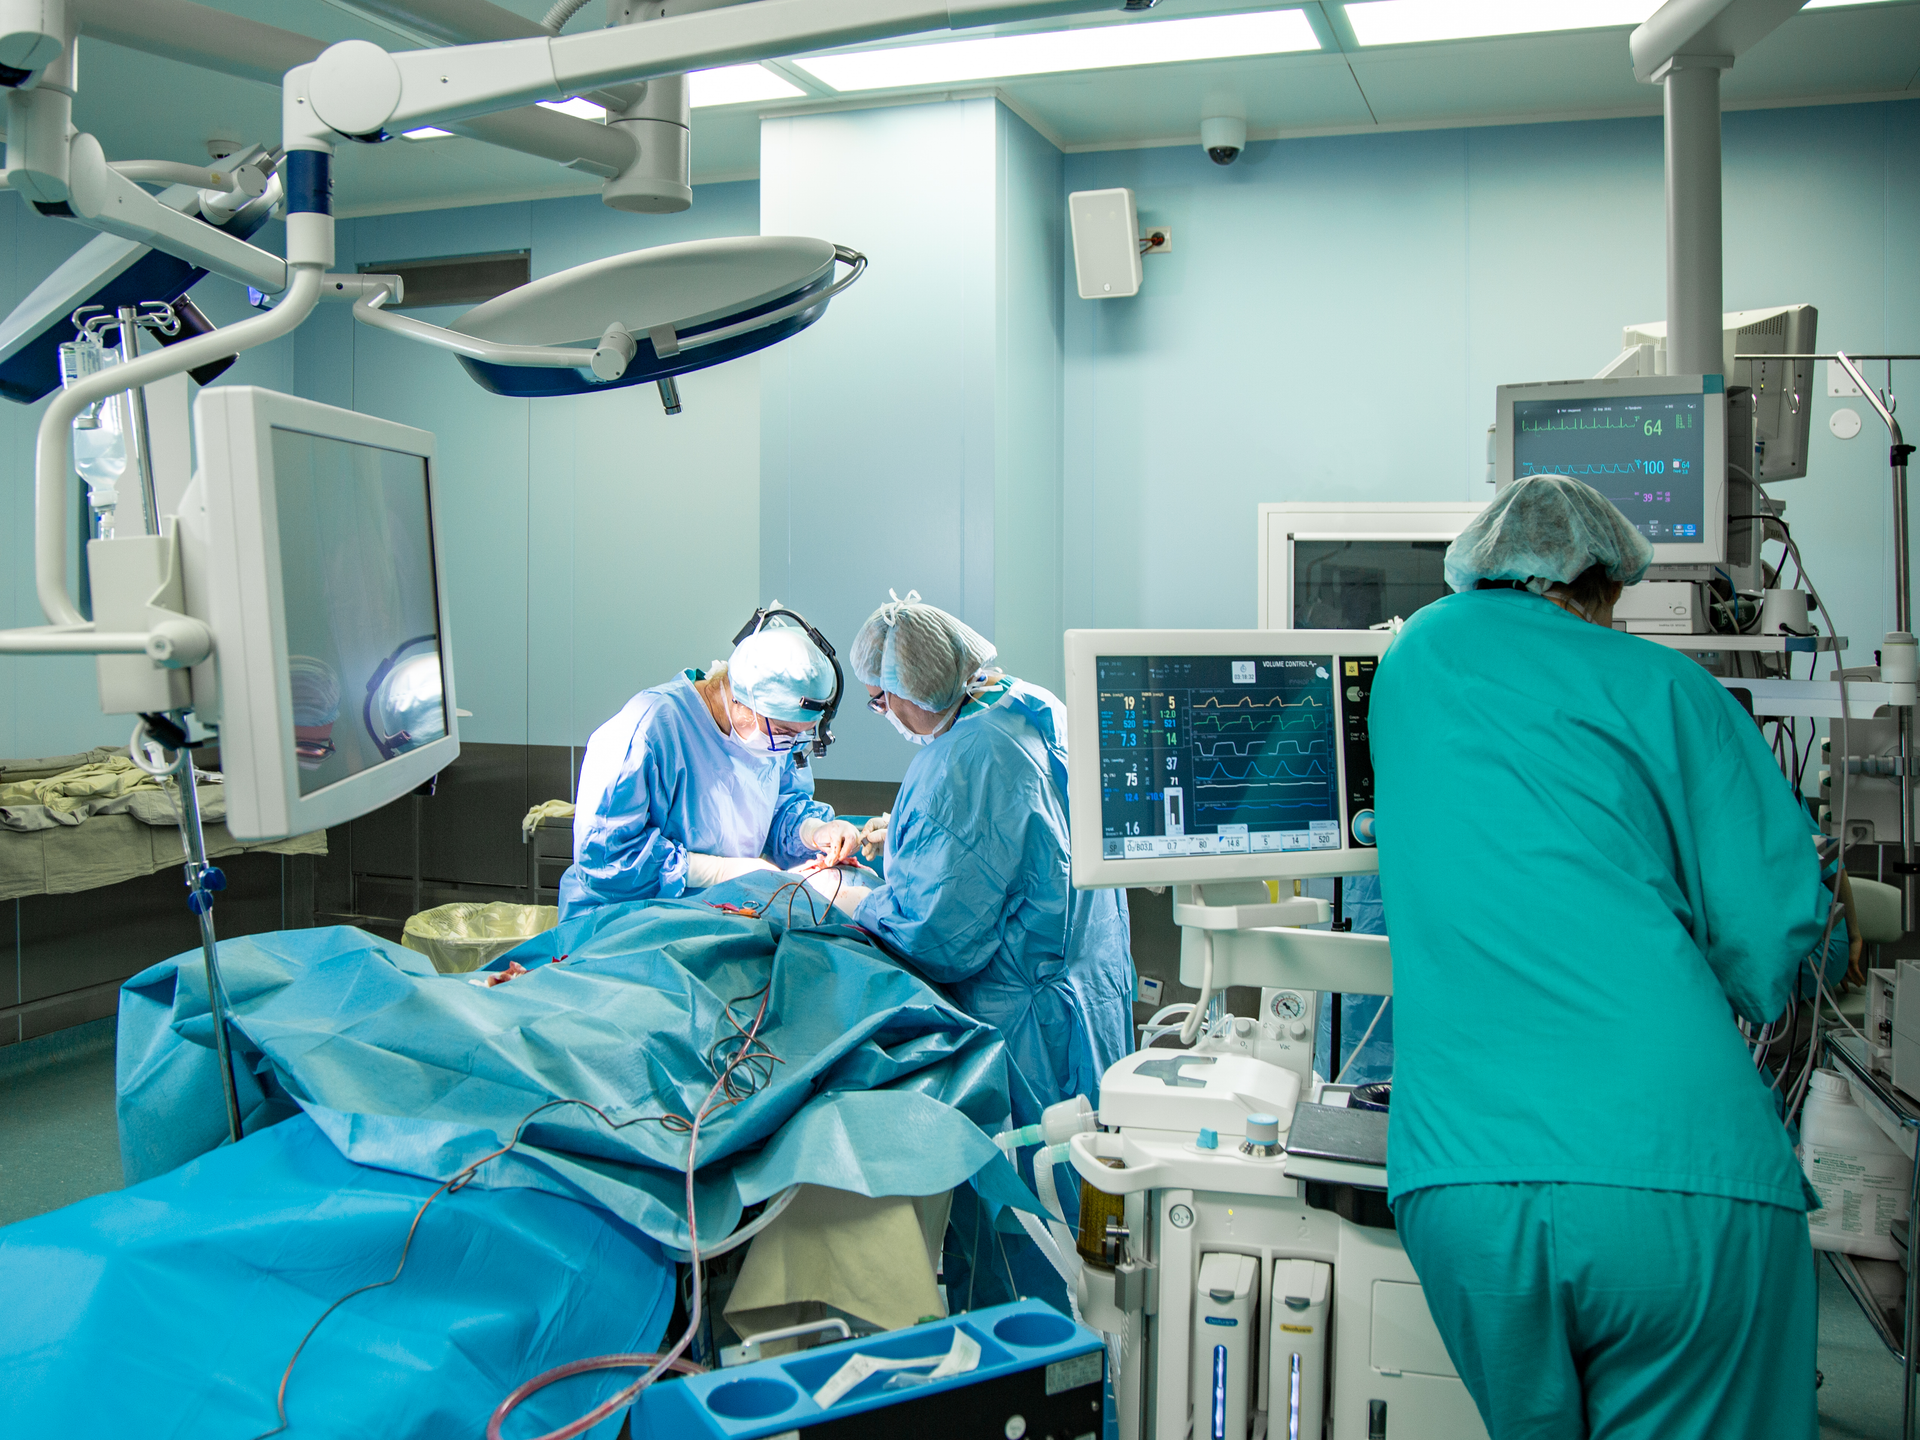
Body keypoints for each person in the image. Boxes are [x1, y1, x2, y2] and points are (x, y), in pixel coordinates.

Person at [1368, 474, 1847, 1440]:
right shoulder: (1671, 689)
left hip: (1467, 1189)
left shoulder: (1410, 662)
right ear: (1604, 587)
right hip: (1680, 1176)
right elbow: (1768, 941)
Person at [807, 591, 1134, 1310]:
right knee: (1103, 1218)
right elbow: (1019, 845)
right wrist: (908, 836)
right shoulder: (1033, 707)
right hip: (1096, 1000)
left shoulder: (962, 762)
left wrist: (848, 896)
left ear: (912, 688)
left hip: (1026, 1037)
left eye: (881, 700)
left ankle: (1037, 1367)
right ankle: (1106, 1365)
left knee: (1029, 1233)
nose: (885, 714)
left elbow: (936, 935)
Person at [558, 615, 862, 919]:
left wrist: (813, 831)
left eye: (800, 734)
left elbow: (778, 809)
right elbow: (608, 860)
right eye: (784, 732)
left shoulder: (769, 737)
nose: (790, 745)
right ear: (742, 700)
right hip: (620, 922)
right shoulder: (644, 733)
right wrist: (718, 871)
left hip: (714, 914)